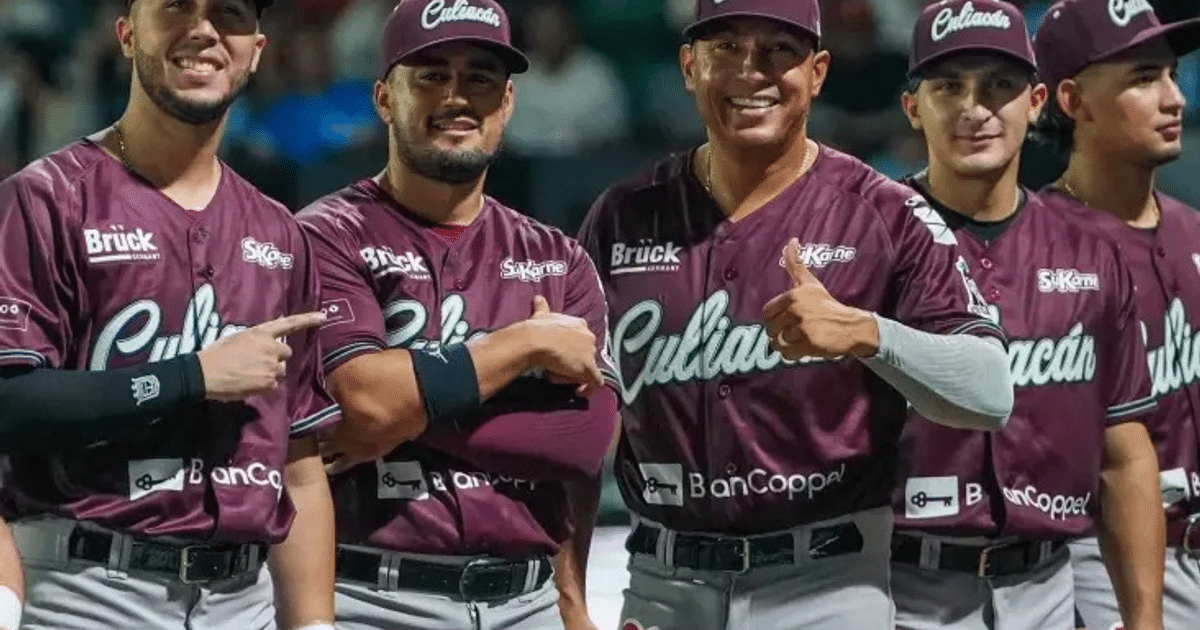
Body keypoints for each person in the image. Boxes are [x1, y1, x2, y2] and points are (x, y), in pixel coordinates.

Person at [576, 1, 1016, 628]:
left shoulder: (886, 213)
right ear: (688, 66)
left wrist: (867, 332)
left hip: (827, 585)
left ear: (818, 71)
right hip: (663, 585)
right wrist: (571, 603)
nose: (752, 72)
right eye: (726, 48)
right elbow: (585, 428)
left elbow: (990, 391)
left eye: (779, 50)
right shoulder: (622, 216)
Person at [0, 1, 341, 629]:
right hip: (89, 591)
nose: (205, 29)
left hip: (244, 600)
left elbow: (299, 467)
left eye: (230, 13)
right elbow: (10, 403)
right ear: (127, 36)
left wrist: (314, 623)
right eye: (178, 6)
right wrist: (190, 377)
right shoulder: (45, 199)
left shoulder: (280, 232)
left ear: (256, 52)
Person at [295, 1, 620, 629]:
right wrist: (525, 346)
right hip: (371, 598)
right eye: (431, 75)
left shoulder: (557, 257)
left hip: (529, 604)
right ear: (385, 97)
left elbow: (583, 444)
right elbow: (364, 400)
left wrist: (407, 408)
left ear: (508, 103)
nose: (456, 96)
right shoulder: (324, 237)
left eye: (479, 77)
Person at [890, 2, 1164, 629]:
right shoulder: (870, 243)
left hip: (1048, 586)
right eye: (948, 86)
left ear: (1038, 101)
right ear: (913, 107)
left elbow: (1124, 454)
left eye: (1000, 86)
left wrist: (1144, 620)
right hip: (898, 587)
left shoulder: (1092, 253)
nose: (974, 108)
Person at [1032, 1, 1200, 628]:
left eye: (1170, 73)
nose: (1173, 98)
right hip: (1100, 557)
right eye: (1141, 78)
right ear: (1072, 99)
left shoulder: (1191, 229)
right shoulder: (1033, 250)